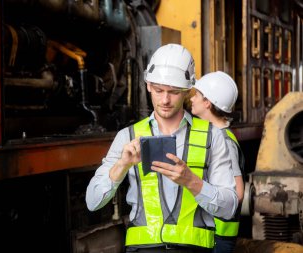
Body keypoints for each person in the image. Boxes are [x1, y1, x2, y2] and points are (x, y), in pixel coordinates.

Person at [86, 44, 238, 253]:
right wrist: (122, 165)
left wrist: (191, 181)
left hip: (193, 249)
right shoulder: (127, 137)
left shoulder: (213, 136)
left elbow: (229, 208)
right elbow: (92, 202)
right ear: (148, 85)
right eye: (158, 90)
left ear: (187, 91)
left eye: (174, 92)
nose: (165, 100)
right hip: (143, 249)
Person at [190, 71, 245, 253]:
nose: (192, 99)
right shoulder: (213, 134)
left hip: (219, 235)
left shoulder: (224, 140)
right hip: (212, 232)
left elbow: (238, 192)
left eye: (197, 95)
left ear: (207, 102)